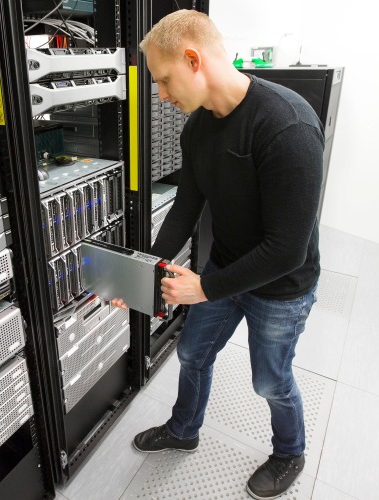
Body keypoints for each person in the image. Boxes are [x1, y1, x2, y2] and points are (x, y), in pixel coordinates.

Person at [112, 9, 323, 500]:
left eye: (164, 80)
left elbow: (287, 250)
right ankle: (184, 431)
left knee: (270, 381)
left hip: (280, 289)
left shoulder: (286, 125)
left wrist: (203, 286)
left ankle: (290, 450)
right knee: (190, 353)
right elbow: (187, 207)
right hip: (225, 268)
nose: (162, 95)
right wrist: (143, 271)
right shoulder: (198, 129)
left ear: (193, 59)